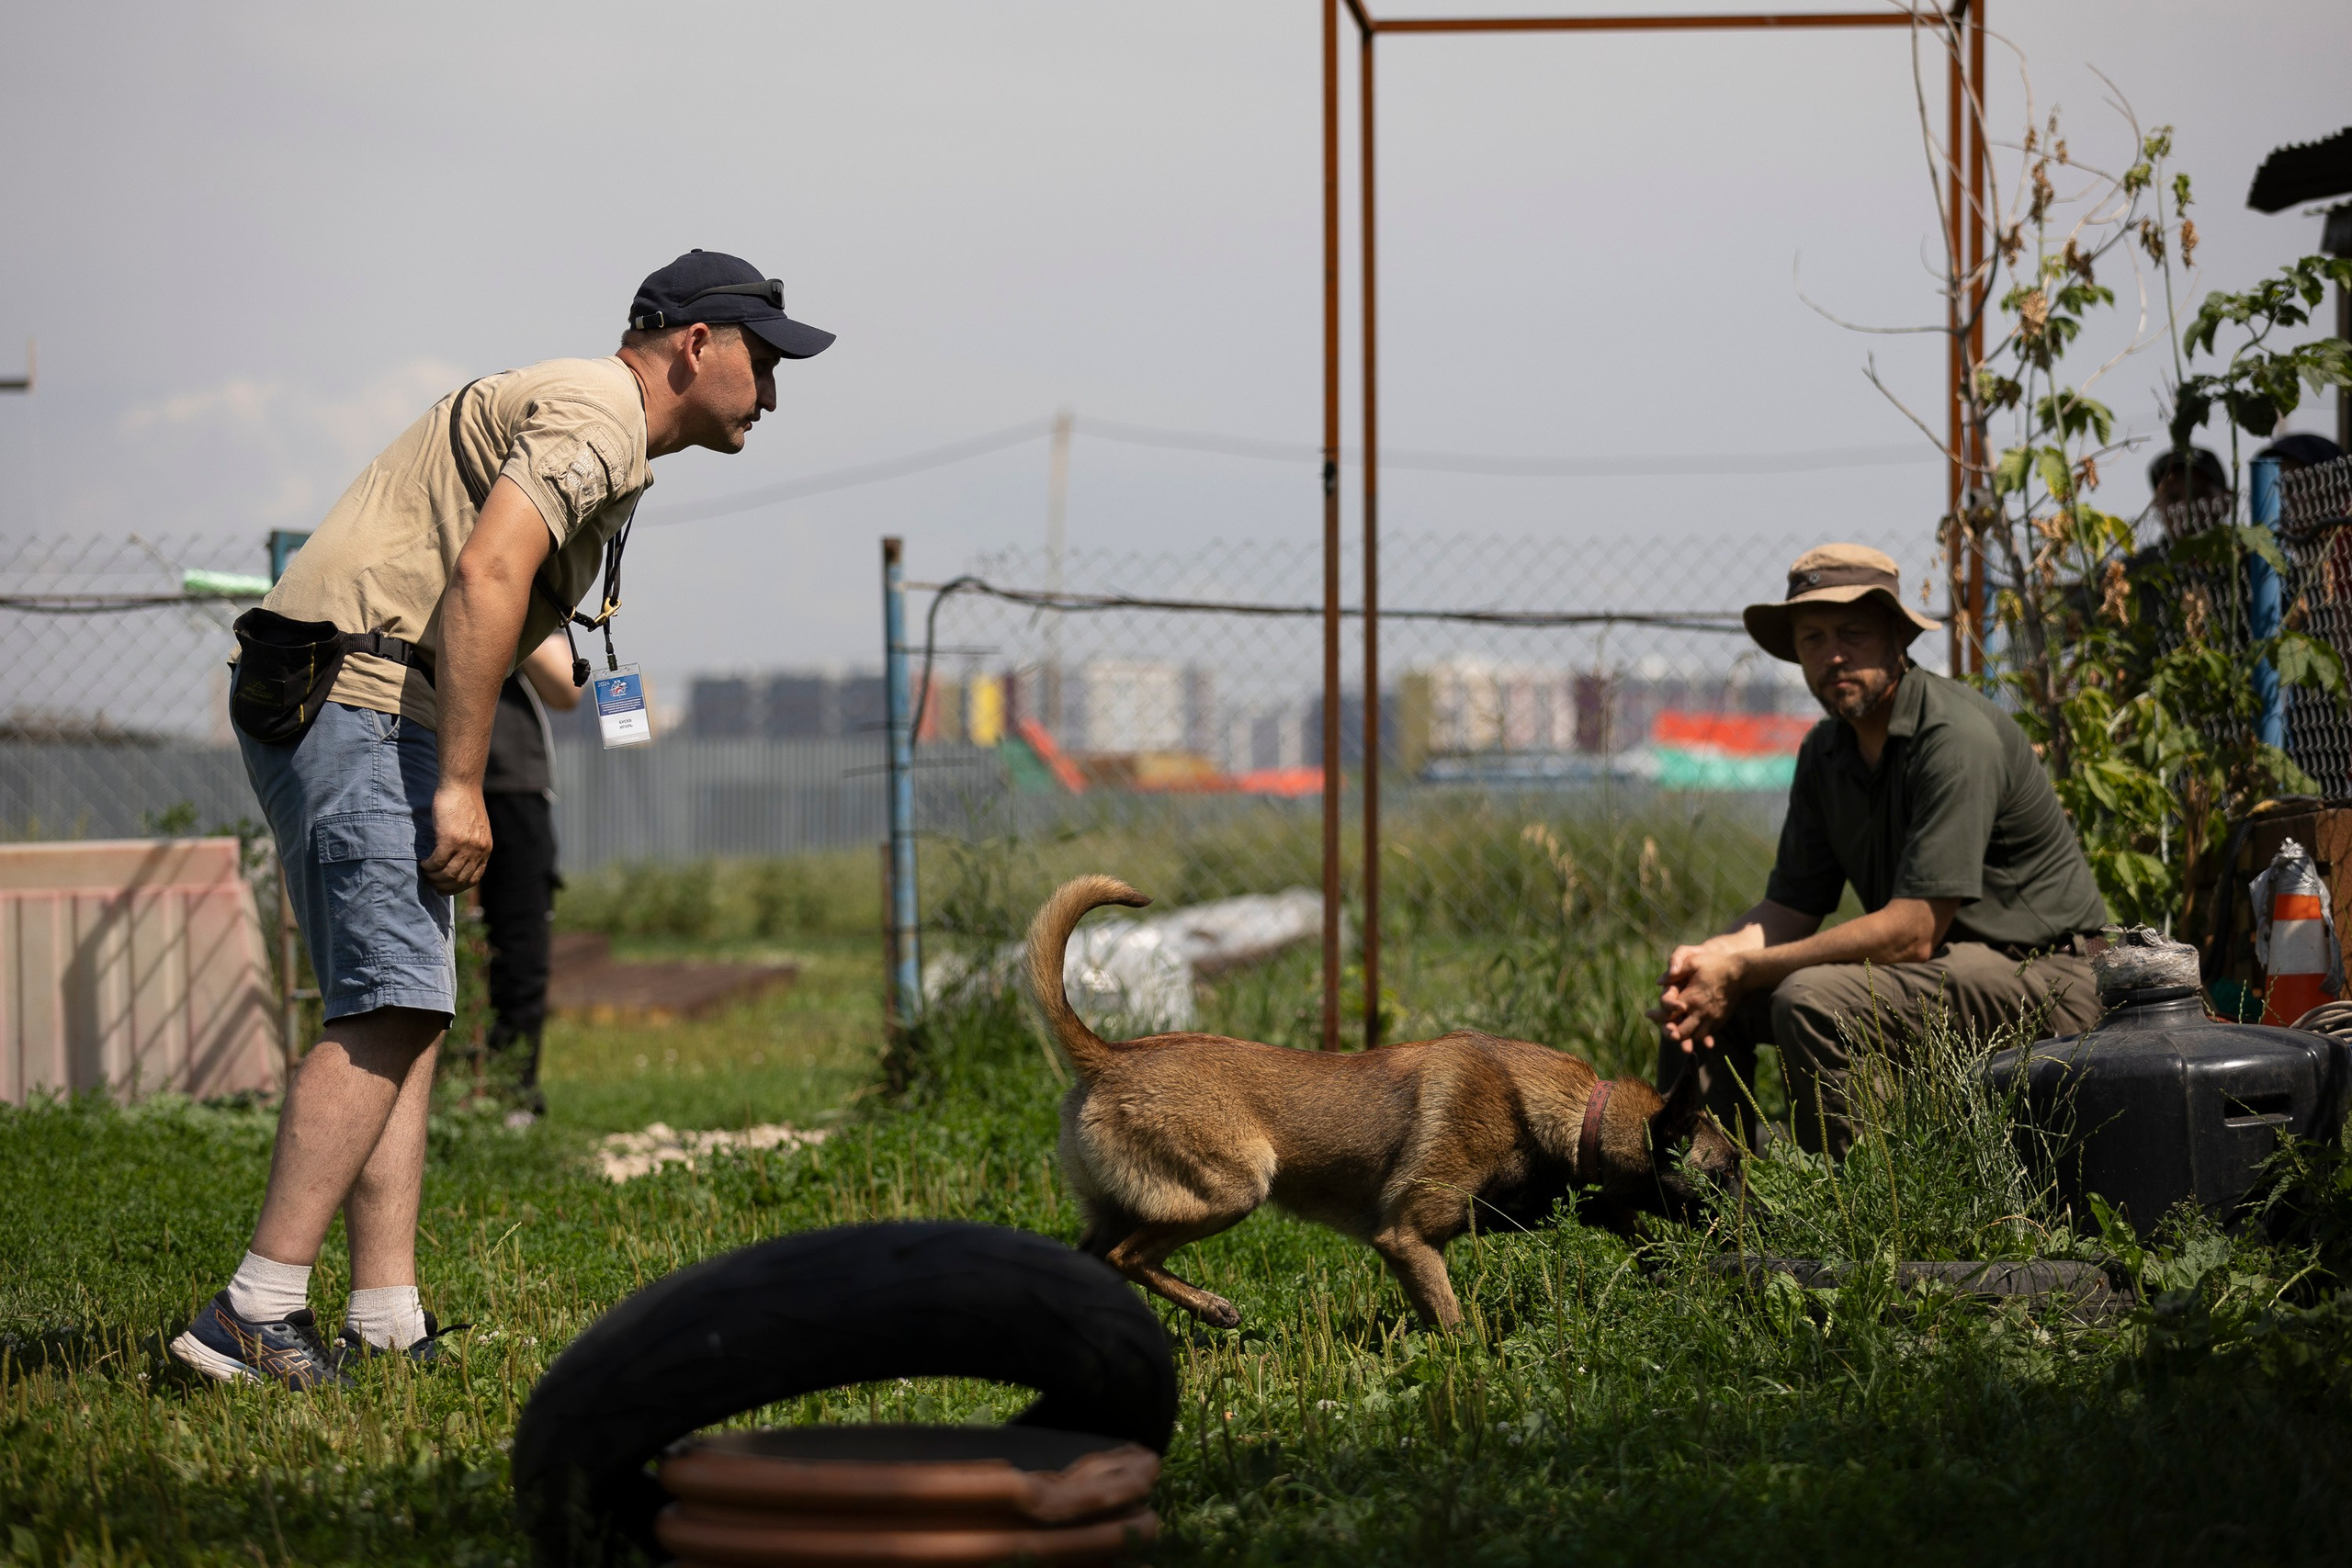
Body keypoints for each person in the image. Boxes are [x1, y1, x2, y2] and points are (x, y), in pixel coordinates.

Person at [171, 251, 832, 1388]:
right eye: (763, 362)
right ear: (696, 344)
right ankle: (251, 1311)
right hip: (366, 696)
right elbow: (486, 575)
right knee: (388, 1002)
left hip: (363, 690)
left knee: (409, 1010)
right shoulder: (599, 417)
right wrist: (462, 784)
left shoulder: (595, 426)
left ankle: (385, 1315)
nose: (770, 395)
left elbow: (503, 597)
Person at [1651, 544, 2110, 1157]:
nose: (1833, 654)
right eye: (1812, 637)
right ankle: (1701, 1209)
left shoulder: (1953, 735)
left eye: (1853, 633)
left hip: (2049, 975)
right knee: (1700, 1002)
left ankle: (1856, 1215)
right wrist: (1711, 960)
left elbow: (1913, 931)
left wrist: (1746, 968)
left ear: (1898, 634)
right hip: (1943, 970)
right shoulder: (1825, 752)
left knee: (1810, 998)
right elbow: (1788, 908)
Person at [479, 635, 582, 1122]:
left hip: (510, 787)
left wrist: (509, 611)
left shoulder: (515, 585)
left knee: (520, 946)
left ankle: (511, 1095)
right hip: (417, 777)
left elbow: (567, 689)